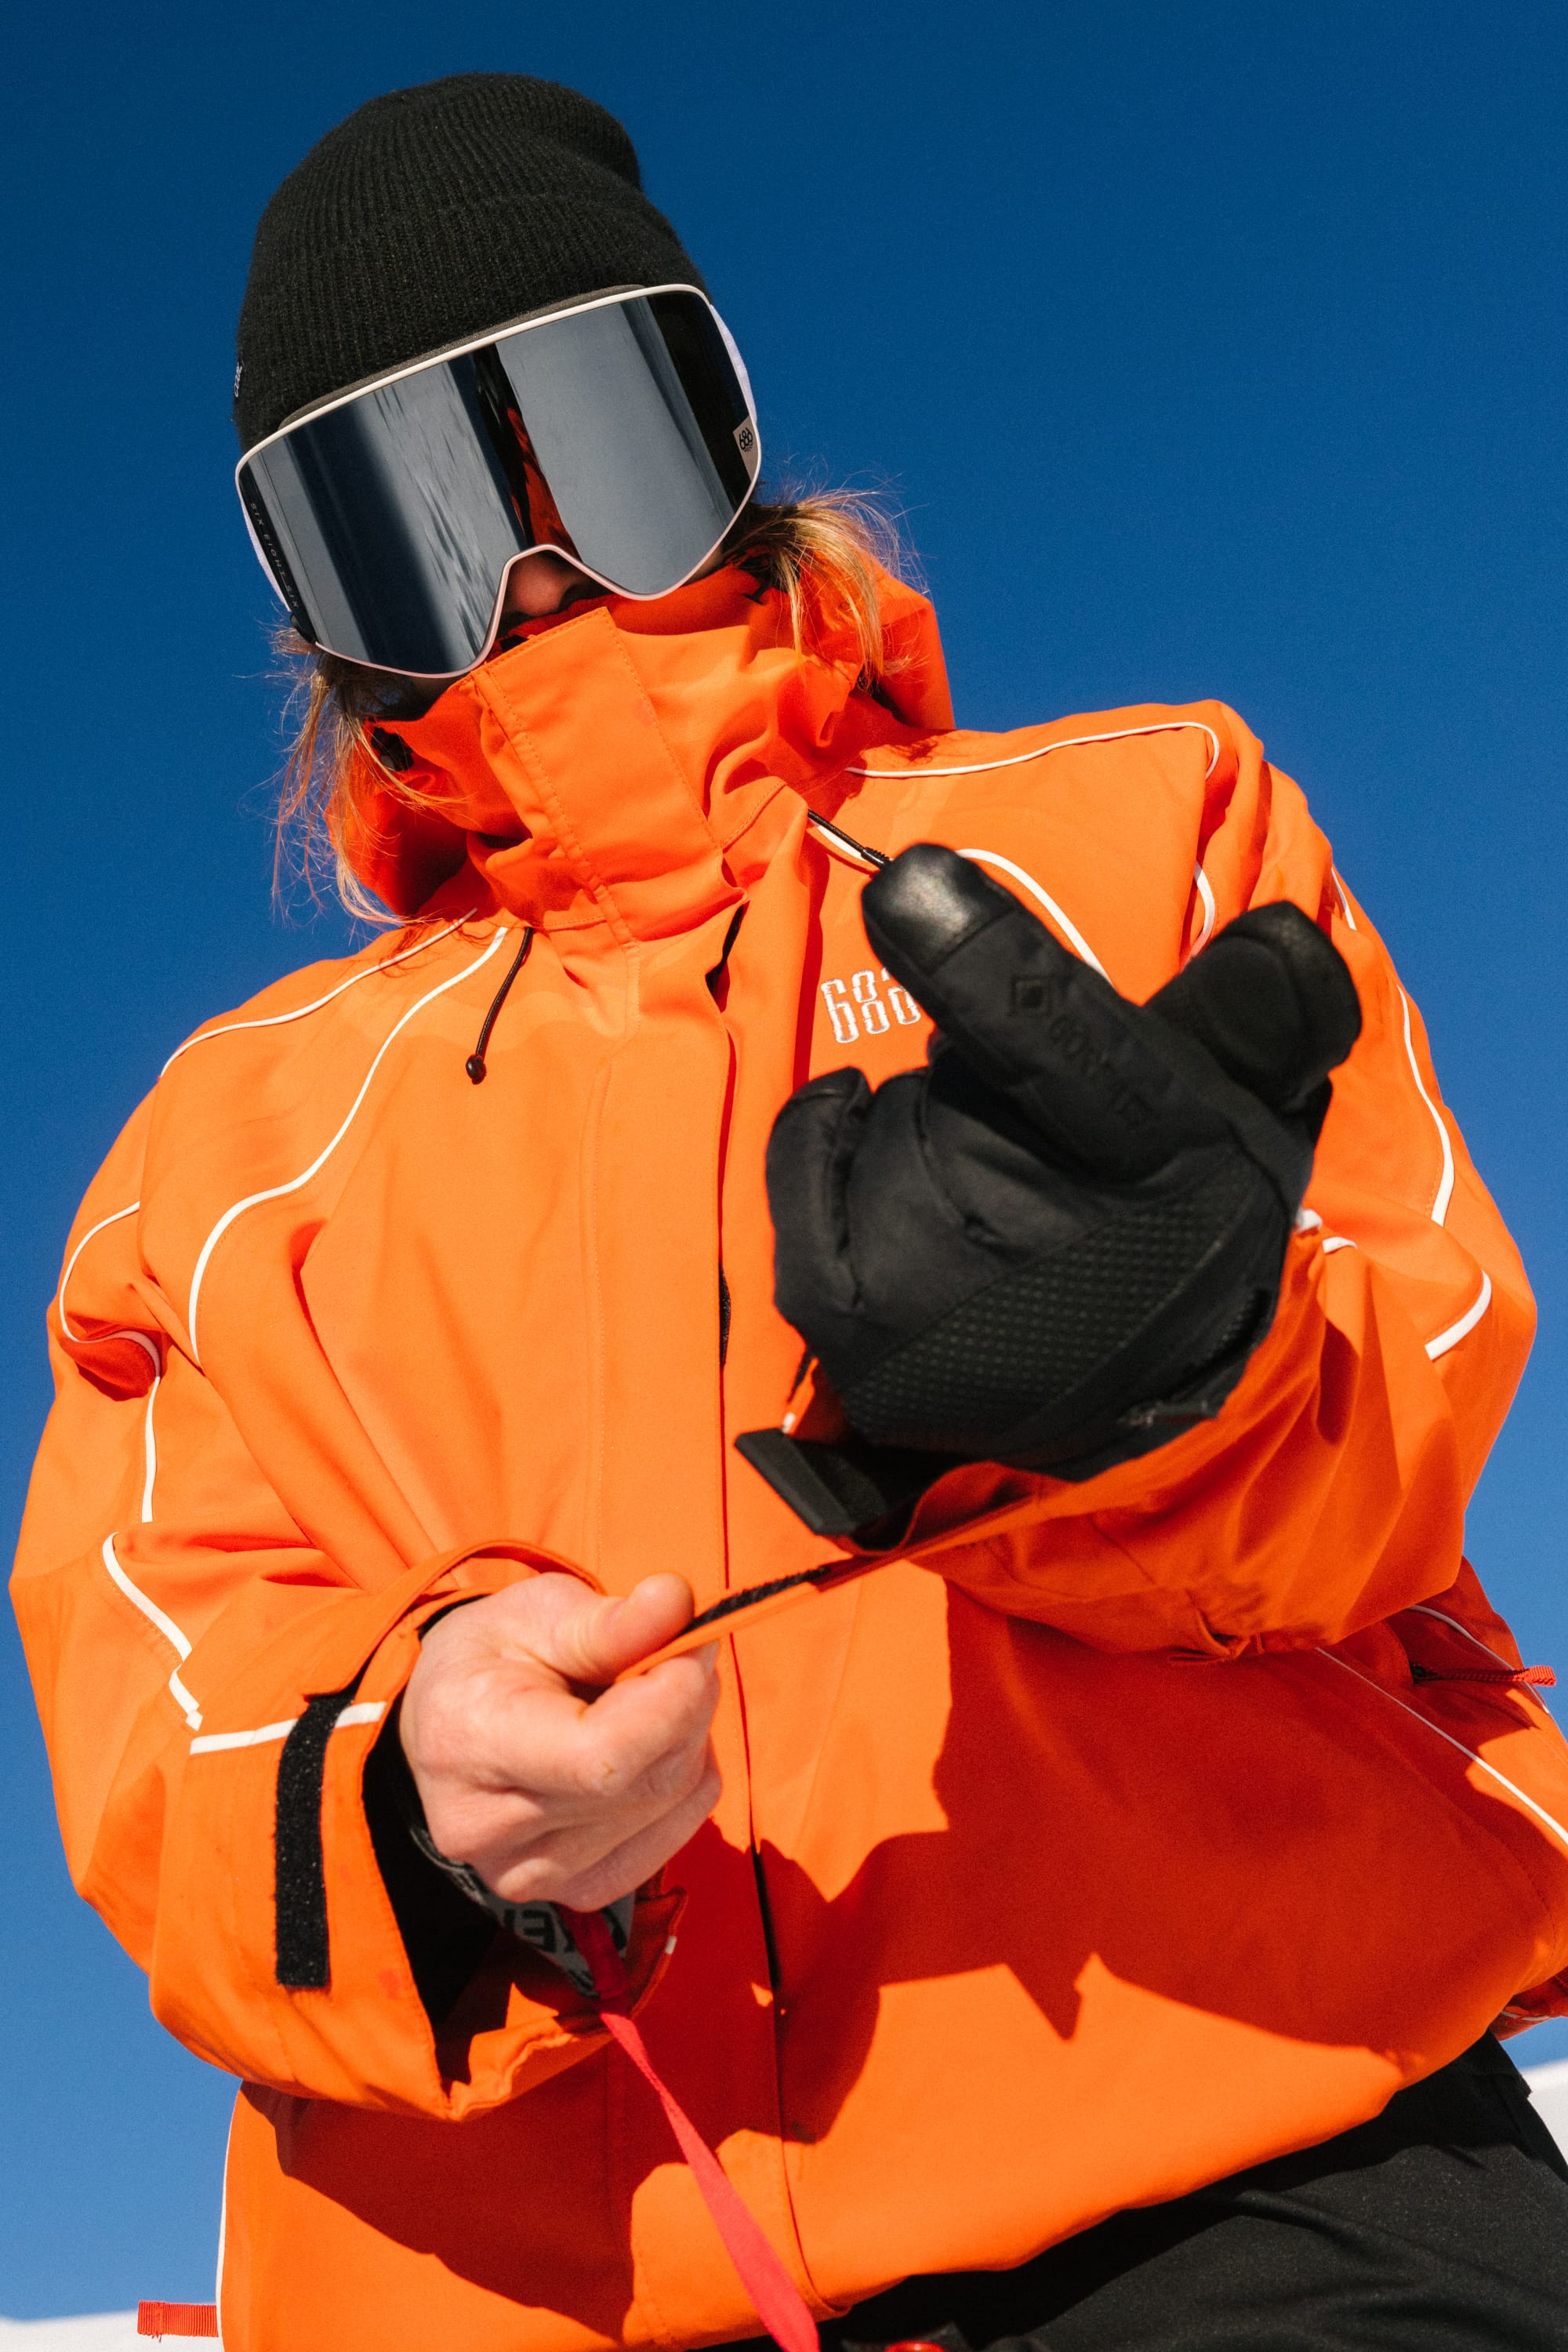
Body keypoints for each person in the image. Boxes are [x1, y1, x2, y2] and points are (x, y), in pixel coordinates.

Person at [13, 71, 1568, 2352]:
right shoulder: (232, 1143)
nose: (536, 571)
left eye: (597, 435)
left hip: (1258, 2142)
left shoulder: (1127, 836)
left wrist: (1156, 1387)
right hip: (525, 2281)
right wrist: (413, 1785)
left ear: (727, 434)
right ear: (316, 618)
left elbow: (1404, 1390)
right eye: (401, 514)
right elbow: (162, 1696)